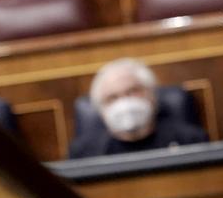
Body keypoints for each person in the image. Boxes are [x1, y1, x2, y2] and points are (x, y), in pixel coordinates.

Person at [69, 58, 207, 158]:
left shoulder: (191, 141)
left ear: (152, 94)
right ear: (100, 109)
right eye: (112, 98)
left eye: (132, 91)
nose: (124, 103)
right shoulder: (83, 154)